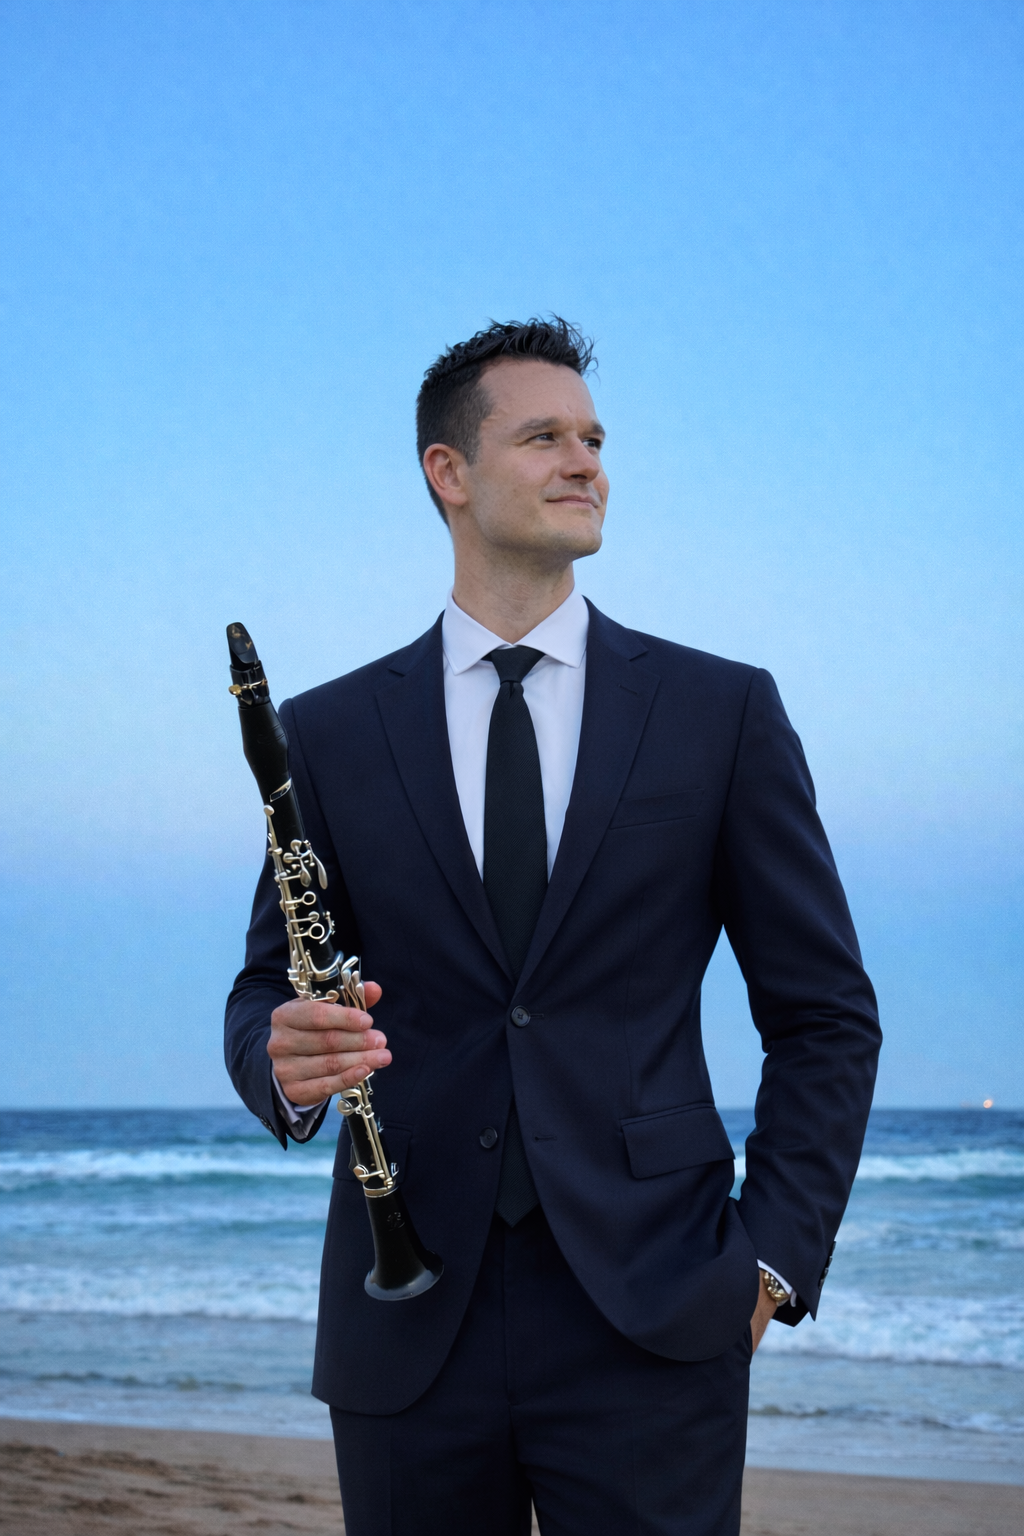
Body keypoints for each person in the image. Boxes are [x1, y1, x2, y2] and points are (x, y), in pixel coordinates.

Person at [224, 317, 881, 1535]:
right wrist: (283, 1059)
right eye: (545, 437)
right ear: (450, 473)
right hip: (404, 1307)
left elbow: (825, 1014)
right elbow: (267, 984)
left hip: (656, 1307)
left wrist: (771, 1264)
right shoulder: (326, 733)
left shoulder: (719, 711)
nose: (587, 463)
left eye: (594, 438)